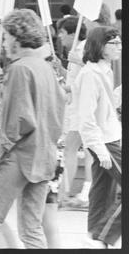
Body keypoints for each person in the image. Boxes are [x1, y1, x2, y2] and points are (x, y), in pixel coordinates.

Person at [0, 9, 65, 248]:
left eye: (5, 37)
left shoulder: (19, 69)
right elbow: (57, 114)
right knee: (31, 230)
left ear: (16, 37)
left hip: (20, 156)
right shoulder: (46, 68)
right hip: (45, 155)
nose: (2, 43)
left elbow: (15, 123)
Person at [75, 26, 122, 248]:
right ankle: (103, 238)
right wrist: (99, 149)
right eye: (114, 43)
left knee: (102, 193)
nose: (119, 47)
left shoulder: (105, 71)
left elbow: (107, 106)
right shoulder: (90, 75)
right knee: (104, 191)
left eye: (120, 42)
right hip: (104, 142)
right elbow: (86, 118)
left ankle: (93, 238)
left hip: (110, 137)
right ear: (100, 46)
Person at [56, 16, 92, 210]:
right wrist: (60, 68)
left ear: (72, 33)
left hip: (83, 107)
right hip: (76, 107)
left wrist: (79, 60)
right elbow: (73, 78)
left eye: (62, 33)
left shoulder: (85, 49)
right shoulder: (74, 51)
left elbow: (95, 72)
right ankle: (69, 192)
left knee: (76, 148)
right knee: (78, 149)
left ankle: (70, 193)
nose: (60, 37)